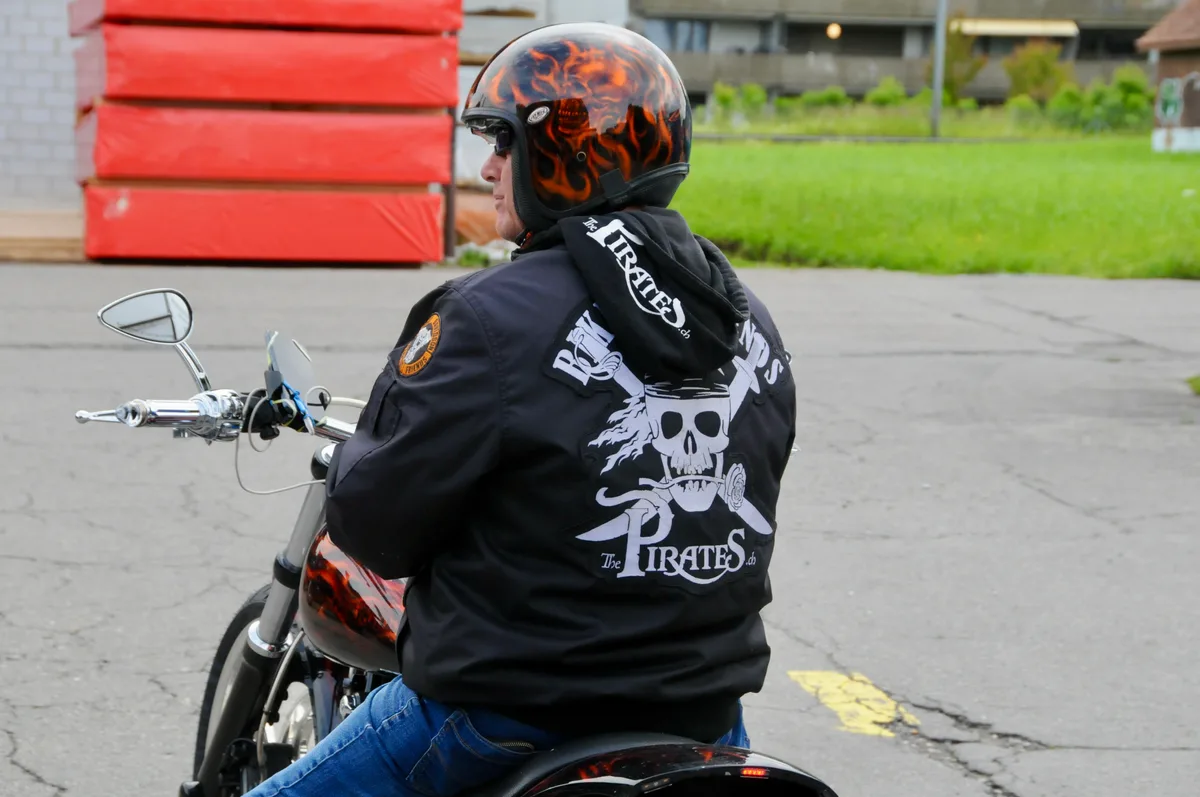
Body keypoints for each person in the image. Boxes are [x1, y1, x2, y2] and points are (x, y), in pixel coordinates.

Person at [243, 20, 797, 797]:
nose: (486, 168)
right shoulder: (745, 317)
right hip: (705, 721)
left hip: (501, 722)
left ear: (566, 152)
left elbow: (374, 529)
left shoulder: (483, 318)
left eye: (504, 144)